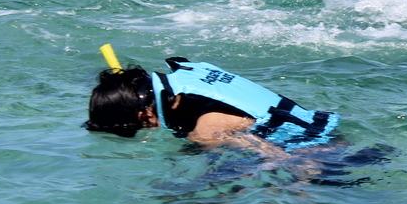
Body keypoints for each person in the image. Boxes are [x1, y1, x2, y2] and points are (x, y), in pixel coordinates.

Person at [86, 56, 344, 151]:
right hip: (330, 138)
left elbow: (274, 158)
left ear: (143, 116)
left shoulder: (205, 131)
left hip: (320, 159)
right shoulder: (188, 77)